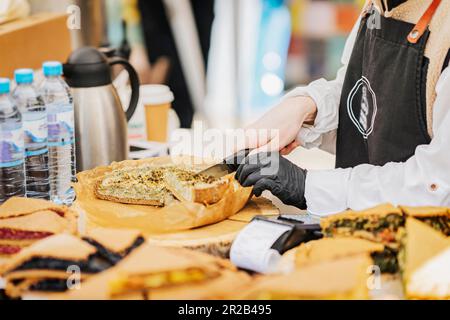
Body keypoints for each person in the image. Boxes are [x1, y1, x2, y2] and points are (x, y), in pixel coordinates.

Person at [234, 0, 450, 216]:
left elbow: (437, 184)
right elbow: (363, 95)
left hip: (425, 243)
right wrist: (305, 109)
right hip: (361, 232)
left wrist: (306, 185)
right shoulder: (376, 7)